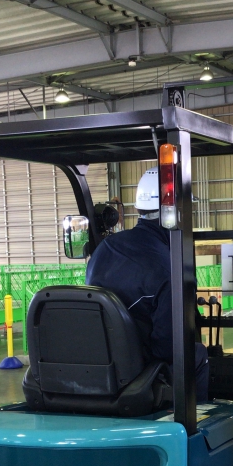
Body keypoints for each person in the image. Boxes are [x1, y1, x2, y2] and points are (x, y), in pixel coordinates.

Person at [86, 167, 210, 401]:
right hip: (138, 369)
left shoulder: (104, 249)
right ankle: (196, 420)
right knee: (197, 354)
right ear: (176, 212)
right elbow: (169, 348)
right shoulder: (171, 268)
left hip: (99, 361)